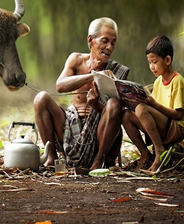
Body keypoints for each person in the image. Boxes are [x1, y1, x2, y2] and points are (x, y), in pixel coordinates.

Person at [34, 17, 130, 170]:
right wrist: (93, 75)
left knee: (114, 103)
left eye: (113, 43)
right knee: (41, 98)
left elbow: (114, 114)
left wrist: (96, 105)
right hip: (69, 128)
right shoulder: (76, 60)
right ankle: (52, 157)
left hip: (99, 133)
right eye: (105, 41)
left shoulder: (116, 71)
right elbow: (60, 85)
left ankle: (98, 161)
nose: (109, 47)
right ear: (91, 40)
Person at [122, 35, 184, 173]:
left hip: (177, 128)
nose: (151, 67)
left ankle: (159, 152)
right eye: (149, 62)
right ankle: (146, 155)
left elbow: (178, 115)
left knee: (141, 109)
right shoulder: (158, 81)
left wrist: (152, 104)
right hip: (164, 125)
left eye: (154, 62)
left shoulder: (178, 82)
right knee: (126, 115)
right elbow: (152, 109)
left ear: (167, 60)